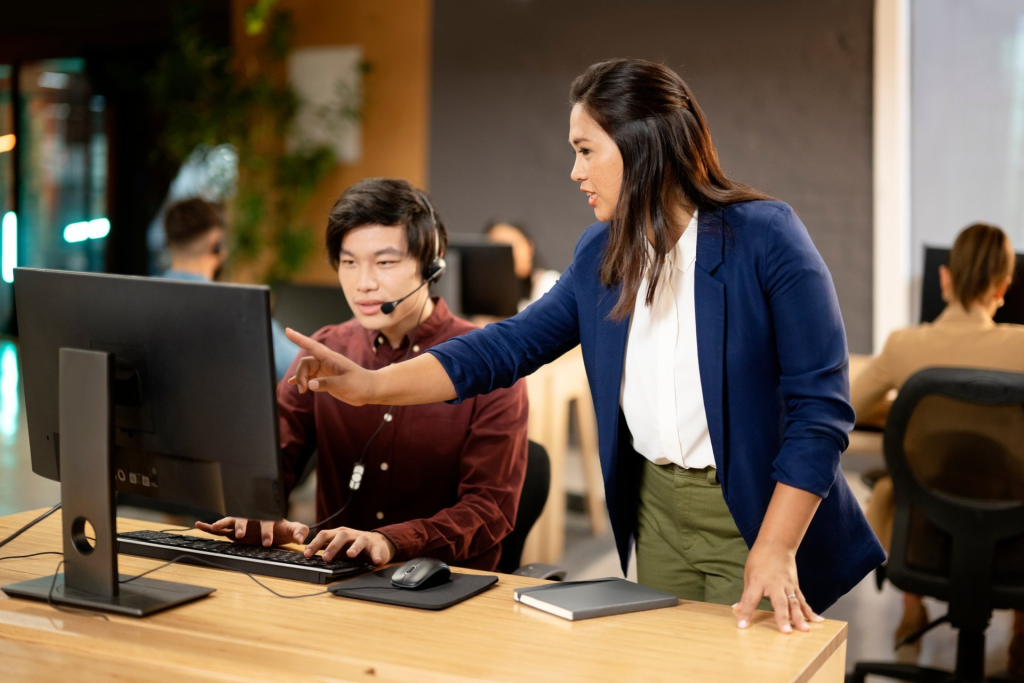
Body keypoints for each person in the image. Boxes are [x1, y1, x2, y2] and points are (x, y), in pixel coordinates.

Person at [285, 58, 885, 633]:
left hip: (756, 507)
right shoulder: (601, 254)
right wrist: (369, 387)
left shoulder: (766, 237)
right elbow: (503, 348)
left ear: (642, 143)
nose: (574, 172)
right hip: (656, 509)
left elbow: (821, 413)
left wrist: (777, 546)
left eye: (584, 150)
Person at [197, 179, 529, 570]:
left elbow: (489, 509)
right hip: (338, 578)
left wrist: (391, 542)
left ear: (432, 260)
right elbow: (270, 457)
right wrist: (252, 510)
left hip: (447, 586)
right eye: (349, 262)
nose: (363, 283)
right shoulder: (326, 351)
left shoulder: (487, 364)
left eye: (385, 262)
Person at [851, 222, 1024, 665]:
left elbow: (841, 405)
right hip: (1011, 542)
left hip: (923, 540)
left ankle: (912, 608)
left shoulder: (905, 347)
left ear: (944, 279)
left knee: (904, 485)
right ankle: (1021, 633)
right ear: (1004, 285)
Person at [161, 197, 300, 381]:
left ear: (169, 243)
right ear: (218, 246)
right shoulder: (242, 310)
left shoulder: (138, 301)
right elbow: (299, 367)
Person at [483, 221, 560, 310]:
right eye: (498, 249)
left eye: (514, 246)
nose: (510, 255)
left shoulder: (548, 283)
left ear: (530, 247)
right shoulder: (486, 297)